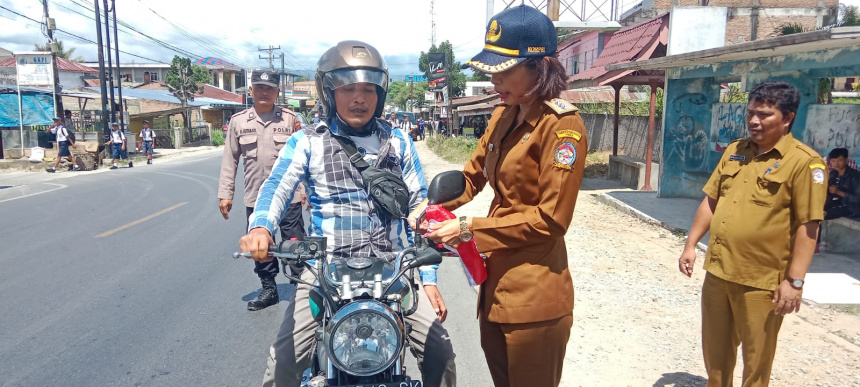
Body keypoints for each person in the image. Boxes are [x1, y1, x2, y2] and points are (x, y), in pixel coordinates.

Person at [239, 40, 456, 387]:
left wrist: (427, 280)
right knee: (283, 363)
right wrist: (261, 227)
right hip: (326, 271)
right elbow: (276, 186)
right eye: (349, 88)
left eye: (368, 89)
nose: (359, 98)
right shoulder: (307, 140)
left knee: (441, 354)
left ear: (380, 94)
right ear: (330, 92)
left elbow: (421, 208)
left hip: (394, 268)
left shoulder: (399, 141)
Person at [419, 6, 587, 386]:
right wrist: (429, 209)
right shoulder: (503, 114)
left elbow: (551, 219)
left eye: (503, 68)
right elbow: (471, 177)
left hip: (534, 295)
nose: (494, 78)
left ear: (538, 66)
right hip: (494, 288)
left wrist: (467, 229)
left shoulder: (562, 127)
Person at [678, 81, 827, 387]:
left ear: (788, 118)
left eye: (764, 114)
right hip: (720, 271)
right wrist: (691, 244)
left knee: (756, 362)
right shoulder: (736, 151)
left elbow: (808, 226)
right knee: (716, 355)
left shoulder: (804, 163)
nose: (754, 121)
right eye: (751, 113)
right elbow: (712, 199)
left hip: (762, 282)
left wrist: (795, 282)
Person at [218, 69, 307, 311]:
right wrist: (226, 193)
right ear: (250, 91)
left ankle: (301, 288)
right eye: (259, 87)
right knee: (261, 248)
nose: (264, 92)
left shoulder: (290, 120)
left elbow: (305, 155)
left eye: (269, 88)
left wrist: (307, 188)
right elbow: (230, 160)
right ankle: (269, 288)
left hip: (289, 197)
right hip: (256, 197)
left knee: (295, 243)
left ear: (278, 92)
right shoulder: (238, 122)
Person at [824, 147, 860, 219]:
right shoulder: (833, 173)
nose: (836, 164)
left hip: (851, 207)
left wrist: (838, 192)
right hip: (835, 203)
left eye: (840, 160)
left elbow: (858, 199)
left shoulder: (855, 176)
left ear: (846, 160)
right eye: (833, 161)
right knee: (815, 210)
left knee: (826, 214)